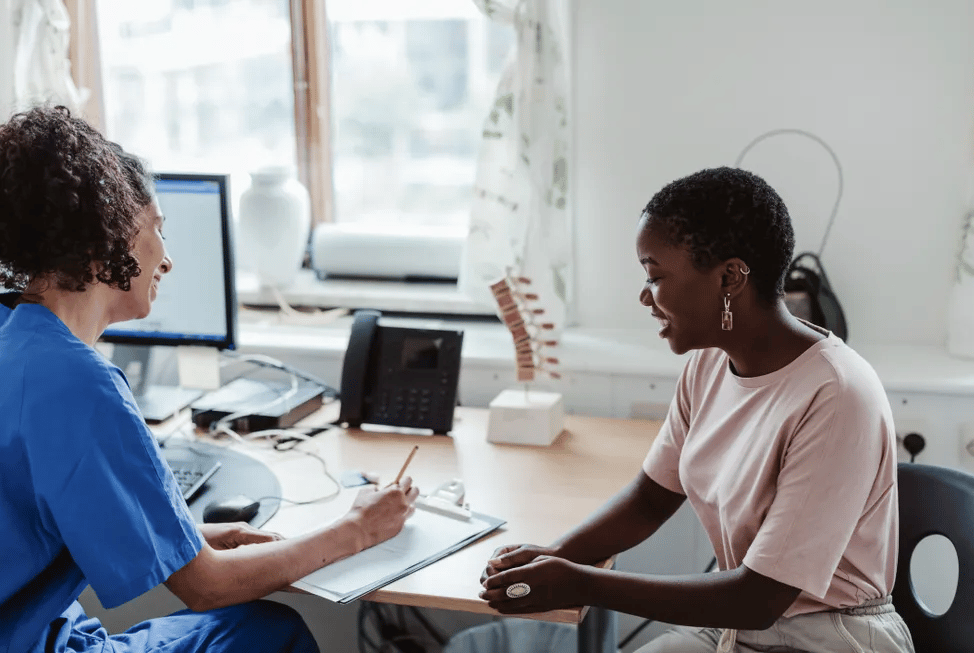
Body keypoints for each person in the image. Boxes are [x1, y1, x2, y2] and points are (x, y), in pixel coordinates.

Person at [0, 105, 419, 653]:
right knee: (269, 630)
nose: (166, 260)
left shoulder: (15, 335)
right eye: (157, 230)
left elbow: (41, 522)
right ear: (110, 234)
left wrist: (186, 538)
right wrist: (359, 528)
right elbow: (206, 588)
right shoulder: (82, 385)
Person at [478, 167, 915, 652]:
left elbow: (759, 596)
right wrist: (555, 555)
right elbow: (650, 500)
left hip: (827, 635)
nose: (645, 297)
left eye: (656, 276)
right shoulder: (709, 364)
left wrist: (581, 583)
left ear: (730, 277)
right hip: (743, 627)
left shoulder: (837, 394)